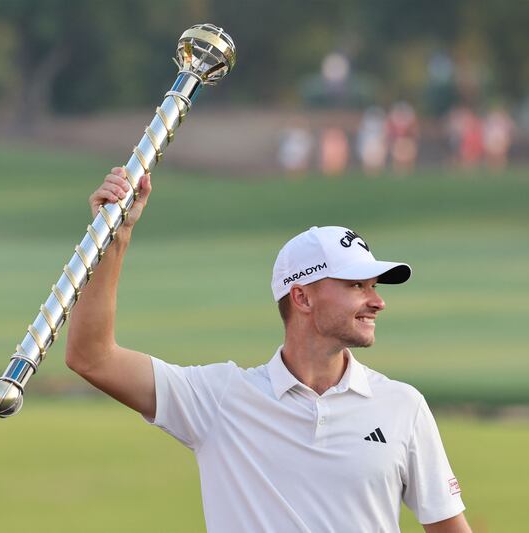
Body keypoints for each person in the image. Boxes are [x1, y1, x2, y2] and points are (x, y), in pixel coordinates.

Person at [66, 167, 472, 533]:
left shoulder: (402, 405)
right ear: (302, 298)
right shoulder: (219, 399)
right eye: (356, 285)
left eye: (374, 287)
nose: (376, 301)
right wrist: (116, 237)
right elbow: (92, 356)